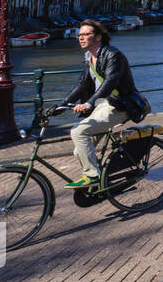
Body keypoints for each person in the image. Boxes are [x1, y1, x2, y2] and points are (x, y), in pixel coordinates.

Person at [58, 19, 146, 189]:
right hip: (102, 106)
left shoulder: (113, 55)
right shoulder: (88, 56)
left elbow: (110, 82)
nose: (80, 38)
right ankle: (106, 182)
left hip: (119, 105)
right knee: (79, 150)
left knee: (78, 132)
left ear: (98, 37)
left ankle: (92, 176)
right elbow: (82, 84)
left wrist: (89, 104)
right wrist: (60, 106)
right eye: (79, 35)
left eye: (85, 34)